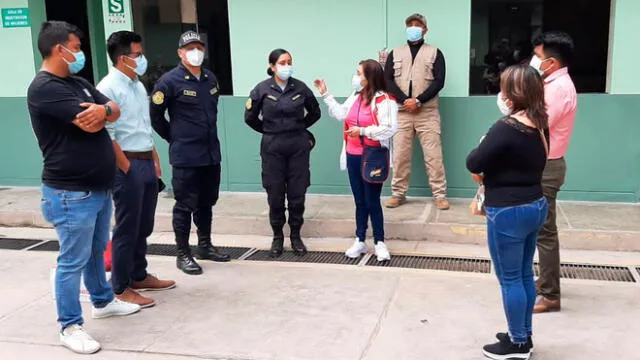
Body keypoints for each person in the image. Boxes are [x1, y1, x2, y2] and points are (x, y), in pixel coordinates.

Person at [27, 21, 140, 354]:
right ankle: (69, 325)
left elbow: (113, 111)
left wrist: (104, 110)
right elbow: (87, 124)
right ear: (58, 48)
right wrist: (104, 113)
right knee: (72, 260)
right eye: (75, 47)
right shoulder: (44, 87)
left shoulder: (77, 83)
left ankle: (103, 301)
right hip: (70, 192)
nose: (80, 53)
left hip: (98, 186)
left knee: (94, 251)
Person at [466, 65, 549, 360]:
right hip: (535, 205)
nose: (500, 94)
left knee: (511, 278)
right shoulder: (540, 124)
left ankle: (516, 345)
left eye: (503, 88)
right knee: (525, 274)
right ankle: (523, 334)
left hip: (509, 212)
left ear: (513, 94)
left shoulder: (505, 127)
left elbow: (474, 162)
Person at [97, 31, 175, 308]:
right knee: (127, 227)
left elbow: (144, 127)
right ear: (122, 58)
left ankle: (139, 274)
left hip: (144, 159)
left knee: (144, 224)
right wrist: (127, 167)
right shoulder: (108, 88)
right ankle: (119, 286)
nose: (143, 59)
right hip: (126, 163)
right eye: (138, 55)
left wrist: (154, 158)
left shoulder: (138, 86)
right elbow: (108, 134)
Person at [150, 31, 230, 275]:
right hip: (186, 156)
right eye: (190, 48)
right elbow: (155, 116)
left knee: (207, 202)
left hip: (210, 154)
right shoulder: (169, 81)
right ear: (180, 53)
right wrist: (174, 138)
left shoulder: (210, 78)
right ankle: (183, 253)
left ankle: (204, 246)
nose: (196, 52)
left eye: (199, 47)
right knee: (185, 205)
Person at [314, 60, 398, 261]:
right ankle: (360, 240)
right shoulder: (355, 97)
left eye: (359, 73)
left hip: (373, 157)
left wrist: (363, 131)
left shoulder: (385, 100)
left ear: (370, 77)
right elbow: (341, 114)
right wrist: (326, 95)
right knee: (359, 201)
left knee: (372, 201)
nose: (356, 77)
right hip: (353, 155)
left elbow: (389, 128)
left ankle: (380, 242)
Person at [244, 49, 321, 257]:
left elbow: (315, 112)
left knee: (297, 194)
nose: (287, 66)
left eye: (289, 62)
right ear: (272, 66)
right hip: (272, 147)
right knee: (275, 194)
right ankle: (277, 237)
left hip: (297, 146)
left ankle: (296, 236)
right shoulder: (261, 89)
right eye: (282, 62)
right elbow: (250, 117)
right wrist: (269, 131)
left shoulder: (301, 88)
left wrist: (298, 128)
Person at [530, 31, 577, 314]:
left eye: (538, 57)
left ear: (552, 62)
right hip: (544, 164)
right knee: (541, 230)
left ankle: (550, 294)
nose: (534, 61)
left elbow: (537, 124)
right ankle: (545, 281)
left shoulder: (558, 89)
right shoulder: (552, 83)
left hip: (547, 167)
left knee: (546, 232)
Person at [384, 13, 450, 210]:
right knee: (400, 156)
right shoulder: (395, 53)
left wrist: (419, 100)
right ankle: (398, 194)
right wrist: (405, 100)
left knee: (434, 156)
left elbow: (439, 81)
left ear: (425, 30)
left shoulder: (435, 53)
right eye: (410, 25)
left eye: (418, 25)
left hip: (427, 113)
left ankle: (440, 195)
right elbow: (388, 80)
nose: (414, 27)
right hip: (402, 112)